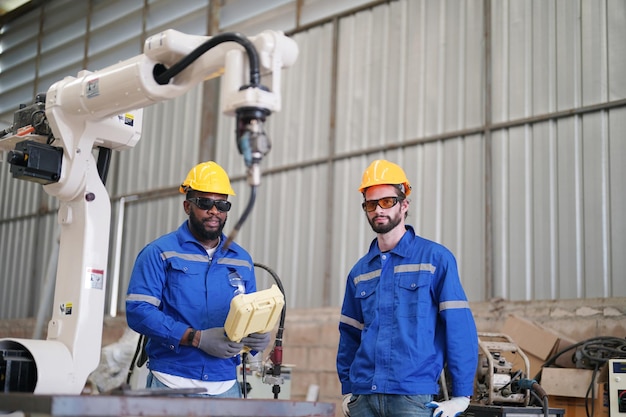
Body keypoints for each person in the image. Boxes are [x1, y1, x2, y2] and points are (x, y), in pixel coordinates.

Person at [336, 159, 478, 417]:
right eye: (371, 203)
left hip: (412, 400)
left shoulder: (435, 259)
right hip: (363, 399)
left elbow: (459, 327)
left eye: (387, 201)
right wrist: (348, 389)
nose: (379, 209)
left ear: (404, 205)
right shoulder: (359, 272)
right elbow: (349, 334)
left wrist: (461, 395)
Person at [126, 161, 270, 398]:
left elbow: (250, 313)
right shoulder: (160, 252)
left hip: (226, 388)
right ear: (187, 206)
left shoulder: (242, 260)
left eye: (222, 204)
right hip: (171, 384)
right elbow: (138, 312)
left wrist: (256, 338)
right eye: (205, 203)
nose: (215, 211)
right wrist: (196, 338)